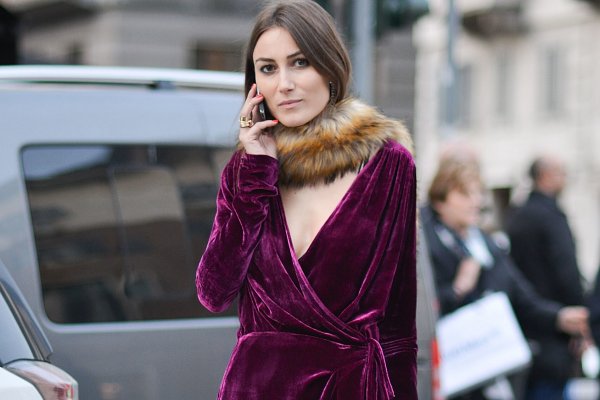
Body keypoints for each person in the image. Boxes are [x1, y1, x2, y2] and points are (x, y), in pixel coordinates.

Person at [195, 1, 417, 399]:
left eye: (299, 63)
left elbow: (398, 322)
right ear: (254, 85)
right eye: (268, 68)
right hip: (256, 387)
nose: (284, 84)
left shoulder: (388, 164)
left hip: (350, 387)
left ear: (330, 68)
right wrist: (256, 176)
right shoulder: (245, 172)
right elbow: (214, 292)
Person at [421, 157, 589, 400]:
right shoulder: (424, 244)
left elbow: (522, 297)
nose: (476, 202)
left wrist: (559, 317)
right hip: (452, 374)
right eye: (465, 194)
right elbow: (419, 312)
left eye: (478, 193)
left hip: (494, 370)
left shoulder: (486, 243)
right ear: (440, 200)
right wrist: (458, 288)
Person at [506, 155, 587, 400]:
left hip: (527, 325)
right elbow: (567, 272)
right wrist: (581, 321)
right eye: (561, 173)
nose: (565, 180)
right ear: (546, 176)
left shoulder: (519, 215)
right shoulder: (550, 217)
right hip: (556, 328)